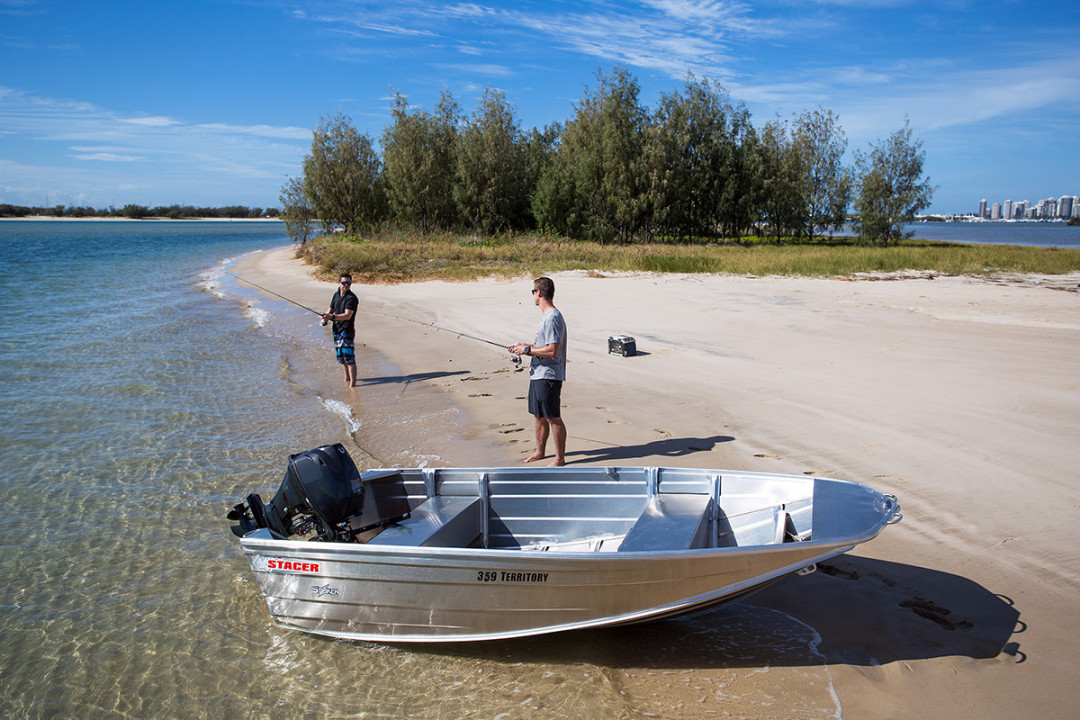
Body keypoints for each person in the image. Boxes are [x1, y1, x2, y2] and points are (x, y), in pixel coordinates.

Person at [509, 276, 567, 466]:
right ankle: (540, 452)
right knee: (539, 416)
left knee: (553, 417)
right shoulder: (546, 318)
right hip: (538, 373)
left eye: (533, 292)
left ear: (539, 293)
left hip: (549, 376)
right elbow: (543, 347)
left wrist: (527, 350)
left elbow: (552, 350)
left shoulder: (552, 318)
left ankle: (559, 459)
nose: (533, 295)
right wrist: (525, 347)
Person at [321, 273, 358, 387]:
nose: (346, 285)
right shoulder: (336, 295)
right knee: (341, 357)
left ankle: (353, 384)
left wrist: (331, 317)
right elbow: (331, 309)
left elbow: (347, 316)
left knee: (349, 358)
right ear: (339, 283)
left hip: (346, 330)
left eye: (348, 283)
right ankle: (346, 377)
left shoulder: (351, 298)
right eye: (344, 283)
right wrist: (325, 319)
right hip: (336, 329)